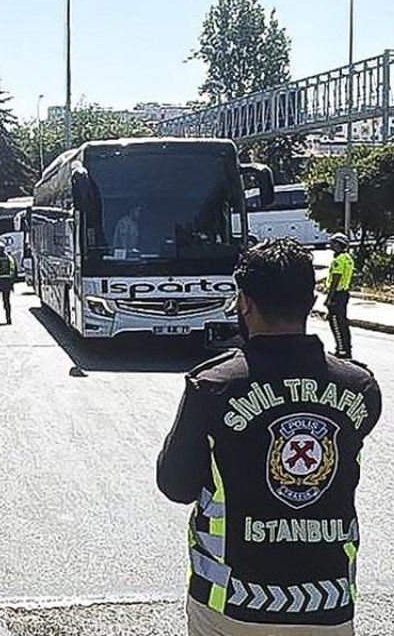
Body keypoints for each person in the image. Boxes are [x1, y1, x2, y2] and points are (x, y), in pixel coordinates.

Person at [156, 238, 381, 636]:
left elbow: (175, 484)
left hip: (230, 604)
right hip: (328, 602)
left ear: (244, 302)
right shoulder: (360, 388)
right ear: (311, 299)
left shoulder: (214, 386)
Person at [325, 233, 355, 359]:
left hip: (337, 294)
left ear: (338, 244)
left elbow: (335, 280)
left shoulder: (338, 260)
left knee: (336, 323)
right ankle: (346, 348)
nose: (331, 245)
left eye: (333, 243)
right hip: (344, 293)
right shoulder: (348, 258)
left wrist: (329, 298)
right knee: (343, 323)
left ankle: (341, 350)